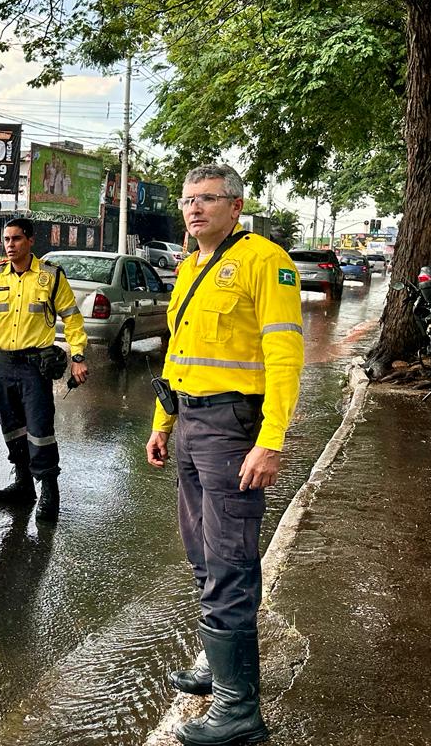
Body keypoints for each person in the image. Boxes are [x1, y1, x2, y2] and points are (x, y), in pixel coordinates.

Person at [145, 164, 304, 746]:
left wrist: (271, 439)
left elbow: (285, 355)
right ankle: (220, 664)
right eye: (188, 199)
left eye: (208, 199)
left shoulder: (265, 261)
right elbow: (177, 353)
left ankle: (238, 711)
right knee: (201, 552)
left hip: (234, 429)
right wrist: (163, 422)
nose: (194, 209)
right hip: (188, 422)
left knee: (231, 559)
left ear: (236, 206)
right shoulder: (189, 267)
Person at [0, 218, 88, 522]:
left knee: (39, 428)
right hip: (4, 363)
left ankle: (49, 489)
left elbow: (72, 318)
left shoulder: (51, 277)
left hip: (35, 364)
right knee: (9, 424)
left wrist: (78, 356)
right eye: (7, 240)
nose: (10, 245)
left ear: (31, 241)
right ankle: (24, 484)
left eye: (17, 239)